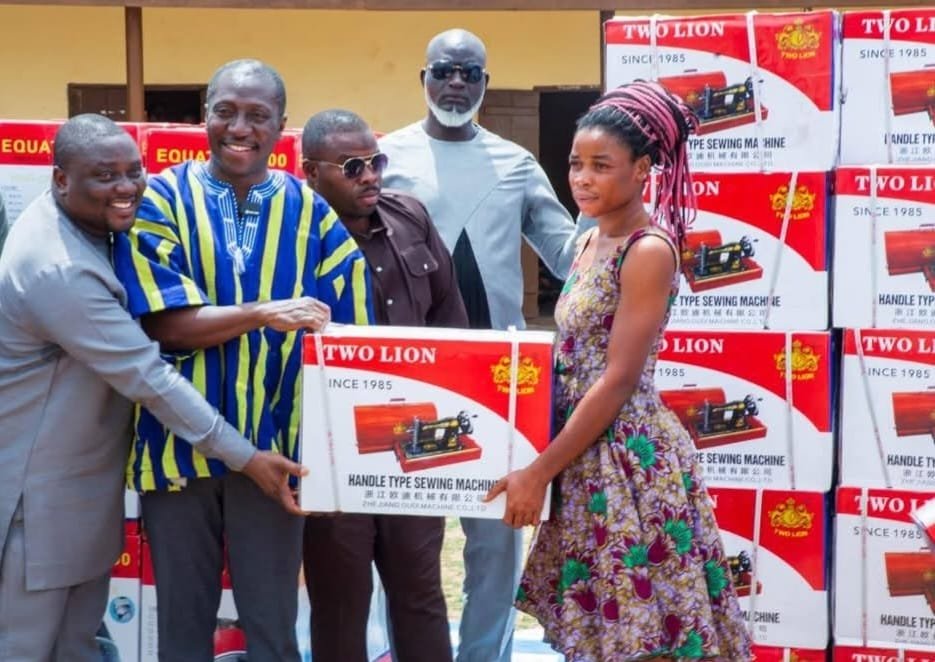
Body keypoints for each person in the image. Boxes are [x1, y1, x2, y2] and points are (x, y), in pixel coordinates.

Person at [0, 114, 304, 661]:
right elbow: (149, 377)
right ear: (60, 179)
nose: (125, 188)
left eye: (133, 172)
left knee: (72, 647)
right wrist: (249, 458)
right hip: (37, 506)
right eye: (104, 176)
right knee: (26, 648)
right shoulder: (59, 268)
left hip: (76, 500)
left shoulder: (89, 230)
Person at [112, 60, 372, 661]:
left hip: (276, 455)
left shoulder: (311, 213)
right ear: (204, 115)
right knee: (181, 627)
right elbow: (164, 325)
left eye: (258, 115)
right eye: (226, 110)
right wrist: (264, 312)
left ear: (282, 125)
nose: (240, 127)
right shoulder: (163, 200)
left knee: (273, 629)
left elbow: (351, 335)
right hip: (177, 448)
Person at [484, 82, 753, 661]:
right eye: (576, 164)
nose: (582, 178)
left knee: (644, 632)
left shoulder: (648, 249)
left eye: (601, 166)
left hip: (626, 462)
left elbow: (618, 378)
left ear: (643, 169)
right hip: (582, 455)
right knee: (603, 631)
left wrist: (538, 471)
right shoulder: (587, 241)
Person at [379, 28, 591, 662]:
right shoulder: (386, 158)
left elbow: (567, 254)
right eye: (444, 70)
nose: (455, 83)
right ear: (423, 78)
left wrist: (611, 203)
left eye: (469, 73)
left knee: (496, 539)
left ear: (484, 84)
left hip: (501, 374)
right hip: (410, 370)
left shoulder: (516, 163)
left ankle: (481, 656)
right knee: (408, 543)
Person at [301, 108, 467, 662]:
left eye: (375, 161)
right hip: (331, 454)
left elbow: (450, 320)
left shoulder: (410, 217)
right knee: (341, 602)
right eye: (352, 166)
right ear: (312, 172)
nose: (370, 175)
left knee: (420, 595)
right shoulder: (295, 236)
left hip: (414, 446)